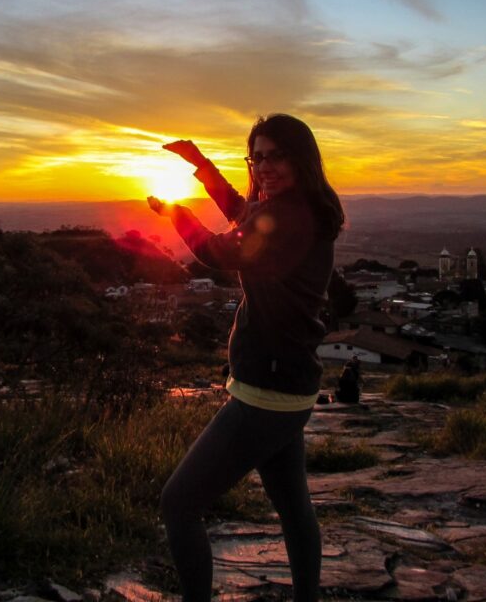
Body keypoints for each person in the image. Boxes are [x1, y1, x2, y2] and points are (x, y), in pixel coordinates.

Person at [147, 113, 344, 602]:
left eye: (277, 155)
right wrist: (201, 164)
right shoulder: (299, 208)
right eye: (257, 157)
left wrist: (175, 213)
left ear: (301, 158)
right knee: (293, 508)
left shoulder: (290, 219)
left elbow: (217, 250)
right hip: (291, 385)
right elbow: (243, 209)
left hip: (268, 392)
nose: (265, 167)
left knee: (178, 503)